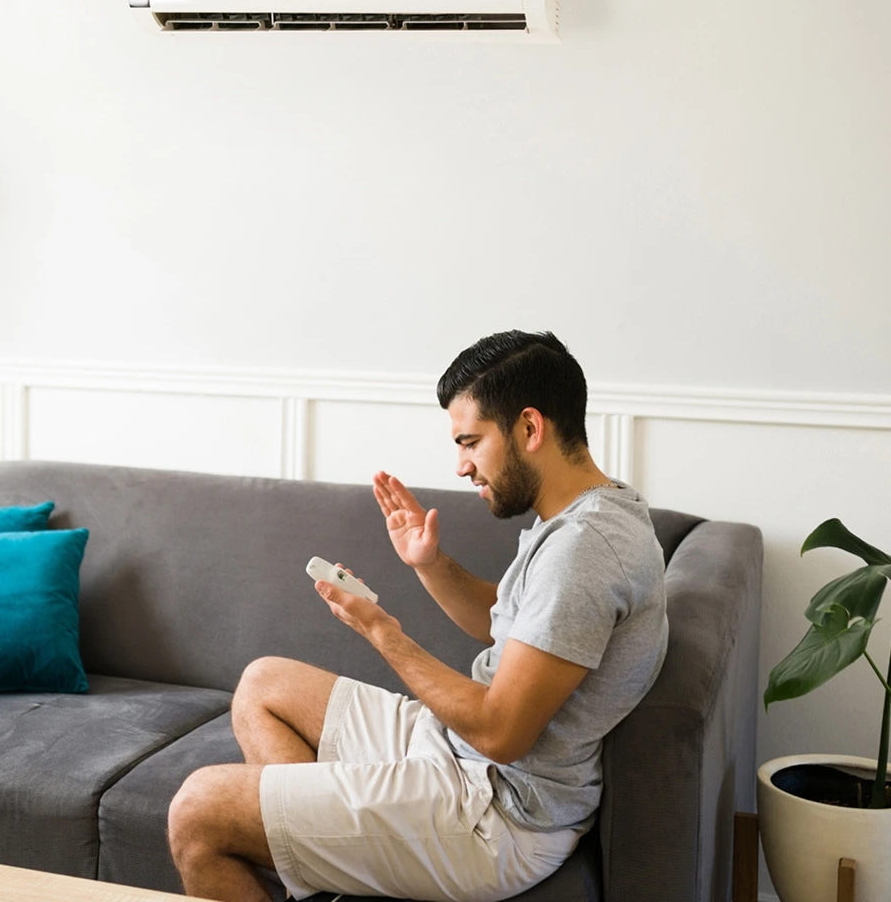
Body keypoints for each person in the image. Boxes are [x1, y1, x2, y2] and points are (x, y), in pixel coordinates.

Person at [166, 330, 668, 902]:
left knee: (198, 811)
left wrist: (382, 632)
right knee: (263, 684)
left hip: (497, 807)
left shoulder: (583, 550)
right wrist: (428, 564)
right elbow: (512, 627)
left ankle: (329, 845)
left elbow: (502, 733)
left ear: (530, 428)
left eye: (471, 442)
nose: (461, 466)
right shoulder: (589, 513)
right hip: (458, 753)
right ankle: (329, 853)